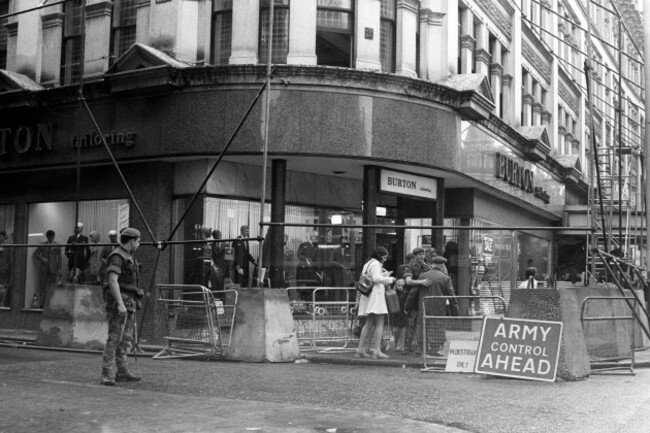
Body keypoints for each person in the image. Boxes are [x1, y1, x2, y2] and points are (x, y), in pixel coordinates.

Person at [100, 227, 144, 386]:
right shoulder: (117, 256)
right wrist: (119, 303)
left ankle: (122, 371)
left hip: (129, 301)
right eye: (138, 240)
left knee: (125, 338)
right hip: (119, 302)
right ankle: (106, 372)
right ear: (132, 241)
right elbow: (112, 280)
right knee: (115, 337)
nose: (139, 243)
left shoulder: (128, 256)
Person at [405, 255, 457, 356]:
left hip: (423, 306)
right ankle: (434, 349)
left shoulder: (423, 276)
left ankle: (419, 349)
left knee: (422, 326)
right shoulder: (445, 278)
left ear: (433, 265)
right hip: (438, 308)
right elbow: (452, 296)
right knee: (437, 327)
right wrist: (455, 312)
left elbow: (413, 293)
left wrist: (407, 307)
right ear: (442, 266)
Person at [355, 246, 395, 359]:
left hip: (368, 295)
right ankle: (376, 349)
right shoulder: (376, 264)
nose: (385, 259)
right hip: (376, 296)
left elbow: (371, 278)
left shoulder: (367, 264)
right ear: (379, 256)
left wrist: (384, 275)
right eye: (384, 257)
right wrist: (390, 279)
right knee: (380, 323)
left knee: (368, 323)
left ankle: (360, 348)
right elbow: (377, 279)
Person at [401, 247, 431, 353]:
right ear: (414, 256)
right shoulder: (409, 267)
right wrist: (421, 282)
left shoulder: (427, 267)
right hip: (412, 298)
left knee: (422, 323)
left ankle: (420, 347)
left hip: (423, 298)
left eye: (423, 254)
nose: (422, 256)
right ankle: (407, 347)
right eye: (419, 254)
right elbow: (408, 281)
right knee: (411, 323)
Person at [32, 230, 62, 308]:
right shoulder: (42, 245)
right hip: (44, 268)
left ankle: (51, 303)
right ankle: (42, 303)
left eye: (52, 237)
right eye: (49, 237)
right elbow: (35, 254)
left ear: (54, 236)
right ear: (47, 237)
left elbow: (60, 258)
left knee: (52, 286)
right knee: (43, 286)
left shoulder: (57, 245)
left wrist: (59, 269)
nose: (51, 238)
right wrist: (42, 258)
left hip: (53, 268)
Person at [390, 278, 408, 353]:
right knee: (395, 331)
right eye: (398, 285)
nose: (400, 287)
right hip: (395, 313)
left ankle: (401, 346)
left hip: (403, 313)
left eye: (402, 285)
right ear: (396, 286)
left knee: (403, 331)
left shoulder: (406, 293)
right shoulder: (393, 293)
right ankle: (397, 344)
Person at [0, 231, 13, 307]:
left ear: (4, 237)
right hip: (1, 271)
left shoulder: (9, 246)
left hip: (5, 272)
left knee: (4, 288)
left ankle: (3, 304)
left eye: (0, 236)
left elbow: (11, 258)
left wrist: (7, 267)